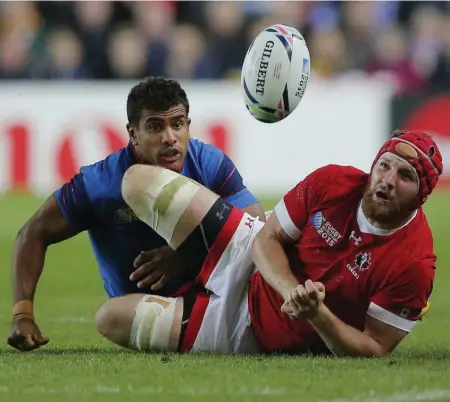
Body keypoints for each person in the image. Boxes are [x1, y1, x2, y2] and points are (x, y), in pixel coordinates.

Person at [98, 129, 442, 356]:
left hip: (246, 333)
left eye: (405, 176)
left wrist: (316, 314)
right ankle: (194, 270)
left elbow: (374, 348)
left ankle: (194, 296)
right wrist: (291, 289)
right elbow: (268, 238)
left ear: (422, 195)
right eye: (384, 166)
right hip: (248, 254)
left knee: (109, 319)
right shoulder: (334, 181)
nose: (387, 180)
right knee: (138, 182)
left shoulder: (415, 264)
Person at [7, 76, 265, 352]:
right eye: (156, 126)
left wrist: (185, 253)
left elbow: (255, 224)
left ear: (188, 126)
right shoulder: (100, 184)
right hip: (141, 314)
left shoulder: (209, 163)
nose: (169, 137)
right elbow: (33, 232)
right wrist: (23, 314)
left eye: (177, 124)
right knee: (107, 315)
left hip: (215, 294)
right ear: (133, 133)